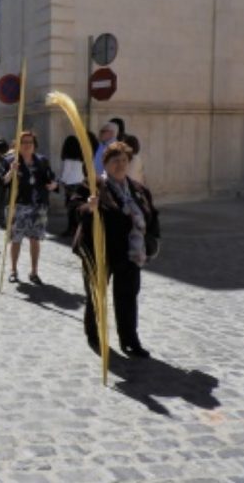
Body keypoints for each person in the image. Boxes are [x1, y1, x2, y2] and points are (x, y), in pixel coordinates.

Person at [72, 141, 159, 357]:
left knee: (127, 296)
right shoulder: (92, 185)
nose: (120, 164)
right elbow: (75, 208)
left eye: (124, 160)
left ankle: (130, 340)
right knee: (96, 295)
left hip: (130, 252)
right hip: (99, 251)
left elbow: (152, 215)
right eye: (115, 160)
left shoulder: (139, 189)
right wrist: (89, 207)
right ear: (105, 163)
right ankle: (95, 335)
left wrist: (152, 239)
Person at [1, 131, 58, 283]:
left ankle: (34, 272)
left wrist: (54, 184)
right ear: (18, 145)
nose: (27, 145)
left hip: (38, 205)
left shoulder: (42, 160)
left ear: (34, 145)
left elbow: (52, 178)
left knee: (35, 239)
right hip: (18, 204)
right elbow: (2, 182)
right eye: (24, 142)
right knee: (16, 239)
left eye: (30, 142)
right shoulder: (10, 160)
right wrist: (11, 172)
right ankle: (13, 270)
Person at [59, 135, 86, 237]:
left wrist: (62, 181)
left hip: (70, 184)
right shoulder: (81, 159)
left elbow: (66, 173)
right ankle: (78, 228)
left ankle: (71, 229)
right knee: (78, 207)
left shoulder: (68, 160)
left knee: (70, 208)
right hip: (80, 183)